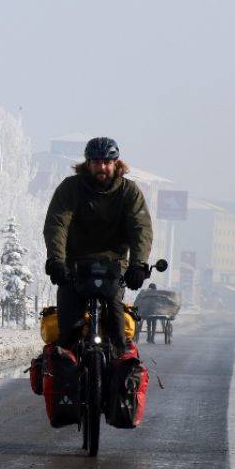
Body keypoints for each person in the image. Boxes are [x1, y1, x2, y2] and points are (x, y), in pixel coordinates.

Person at [43, 136, 153, 351]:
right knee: (69, 330)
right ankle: (67, 374)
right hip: (75, 265)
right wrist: (56, 260)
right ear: (87, 164)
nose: (101, 167)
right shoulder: (71, 188)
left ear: (116, 164)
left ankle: (121, 371)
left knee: (117, 329)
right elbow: (57, 224)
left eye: (106, 162)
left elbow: (141, 229)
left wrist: (137, 265)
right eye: (96, 162)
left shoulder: (129, 192)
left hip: (114, 265)